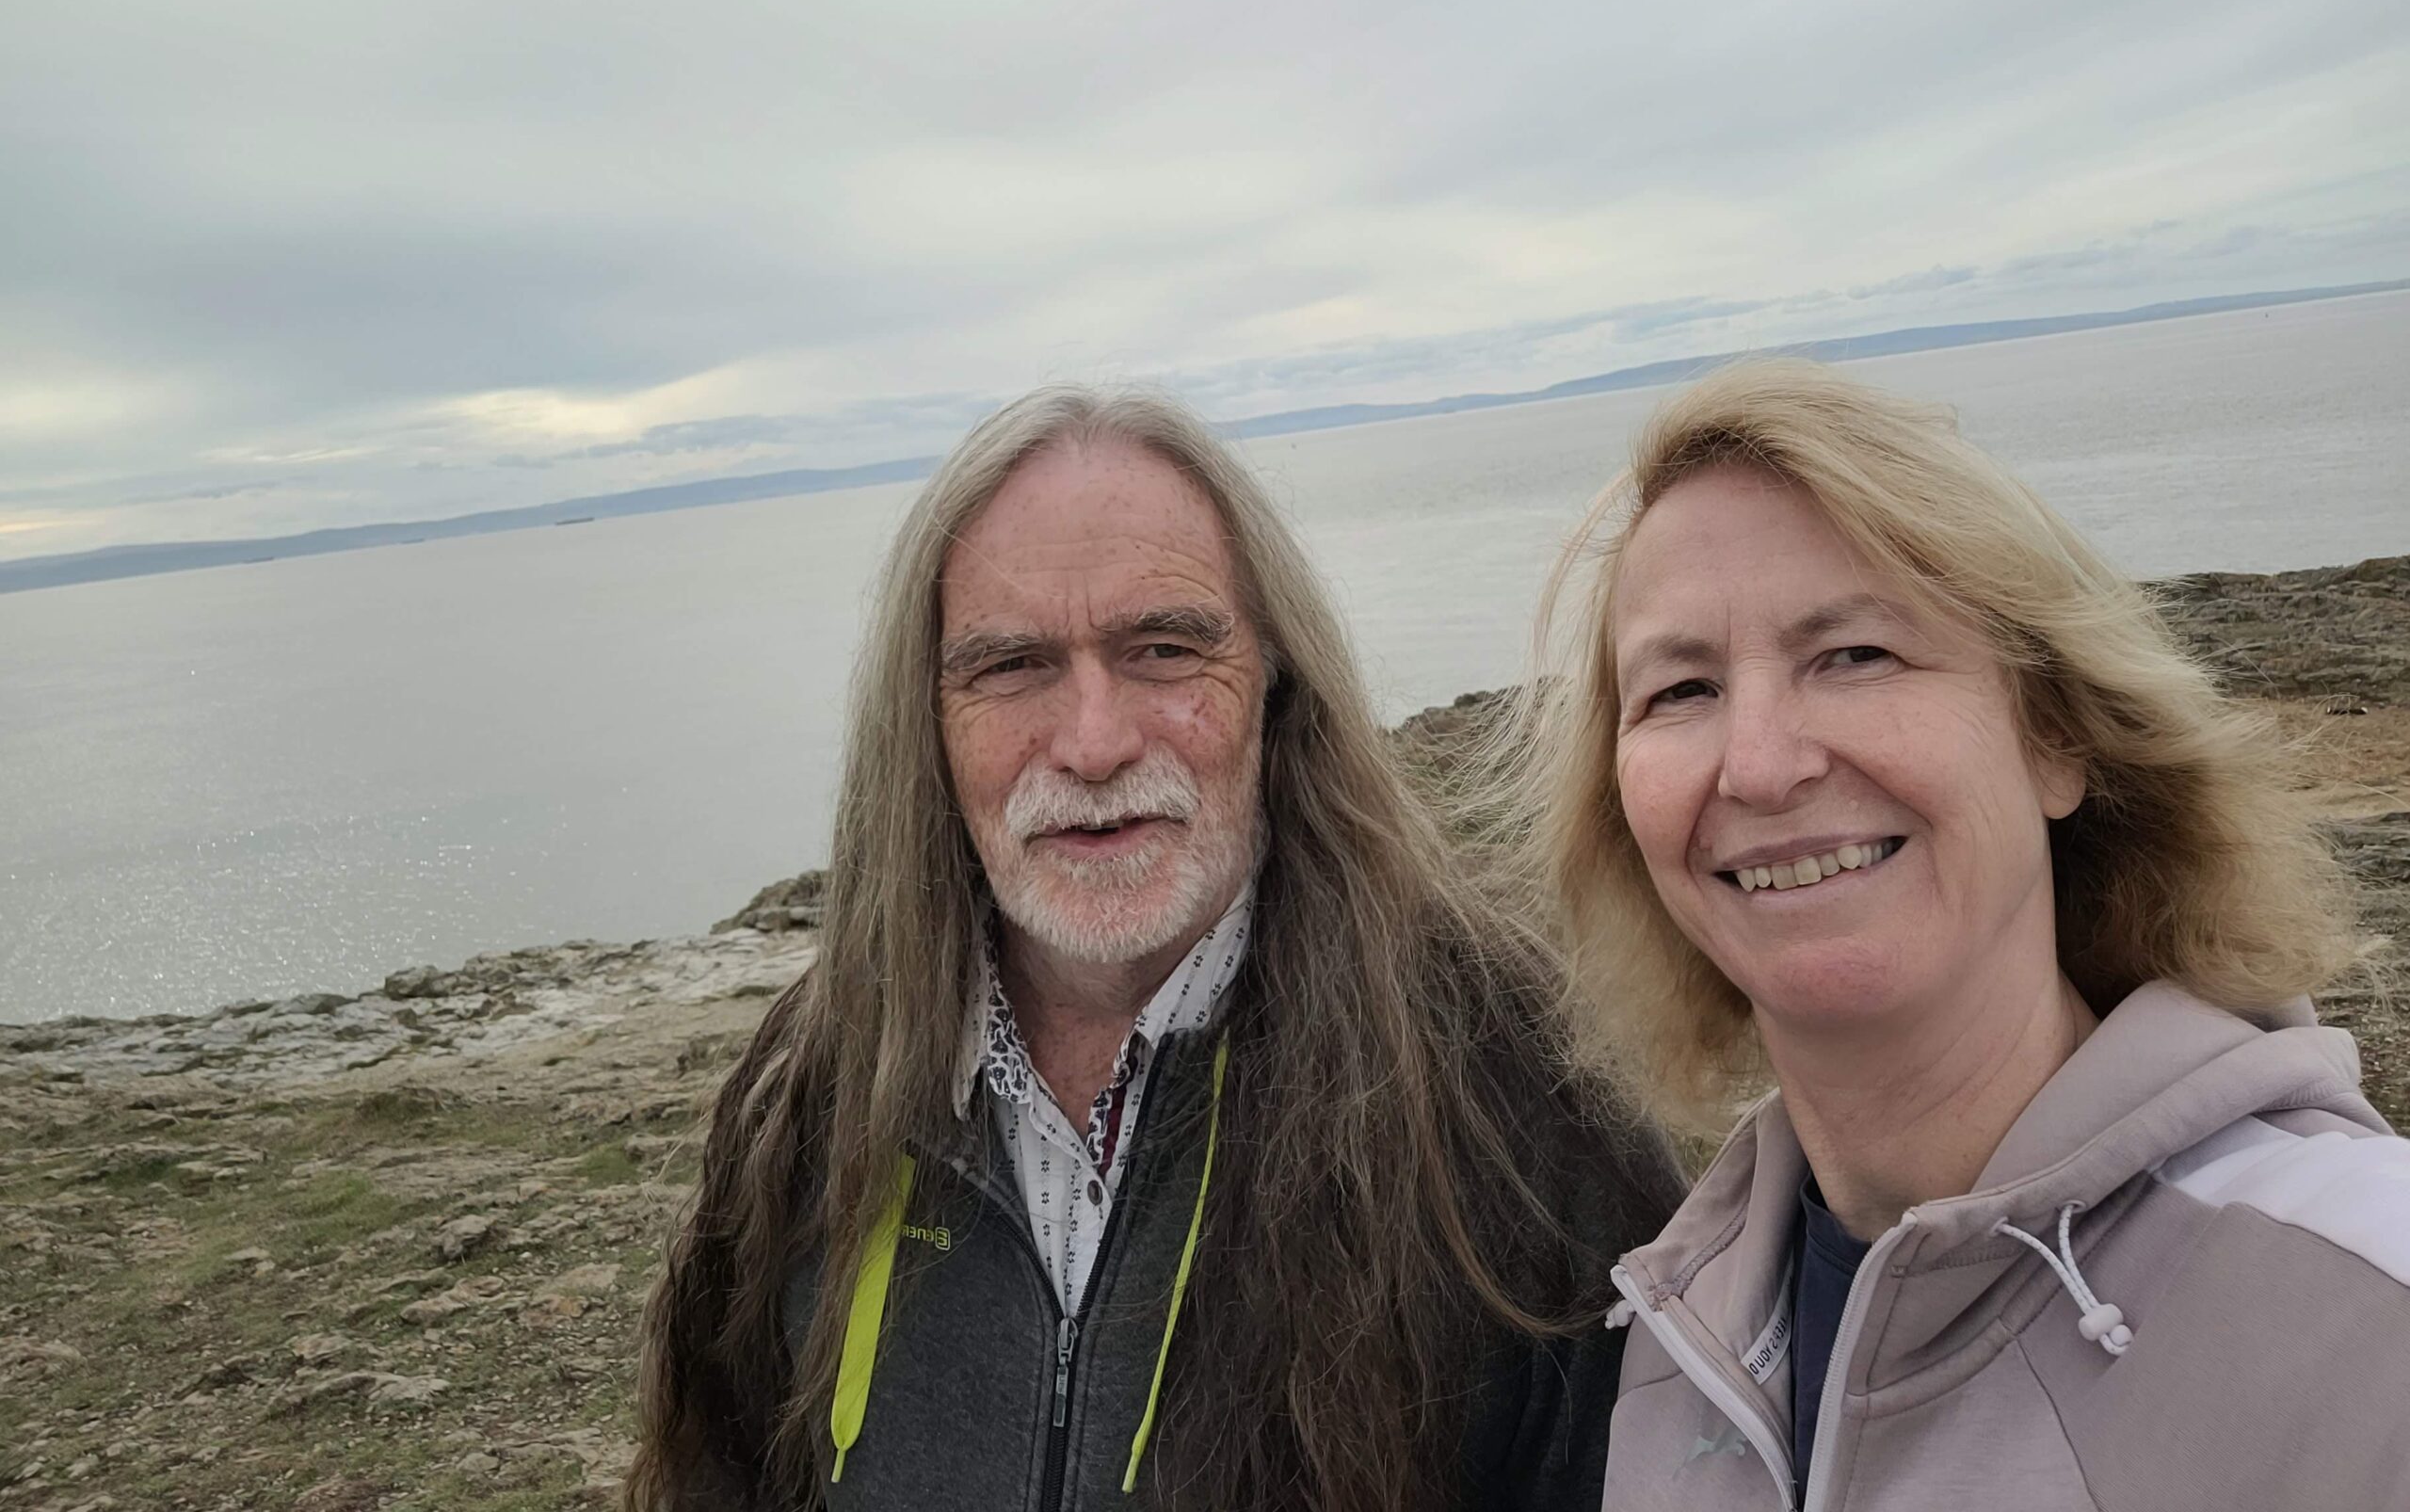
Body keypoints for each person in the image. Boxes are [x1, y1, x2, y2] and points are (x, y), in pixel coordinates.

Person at [624, 386, 1681, 1512]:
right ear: (925, 721)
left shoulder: (1519, 1097)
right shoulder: (817, 1081)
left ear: (1275, 677)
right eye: (1010, 666)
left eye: (1165, 649)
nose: (1093, 744)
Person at [1510, 358, 2410, 1510]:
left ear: (2055, 738)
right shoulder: (1673, 1342)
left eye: (1856, 654)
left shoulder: (2364, 1301)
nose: (1761, 766)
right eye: (1681, 690)